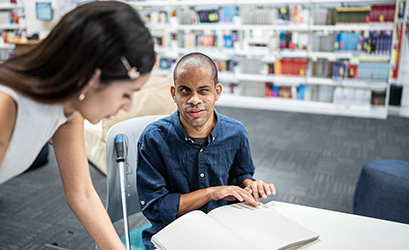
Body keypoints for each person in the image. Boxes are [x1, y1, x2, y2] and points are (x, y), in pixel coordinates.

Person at [0, 2, 155, 249]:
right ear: (93, 78)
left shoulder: (68, 110)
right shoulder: (5, 106)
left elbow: (82, 195)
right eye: (127, 93)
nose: (128, 106)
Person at [137, 52, 276, 249]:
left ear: (217, 92)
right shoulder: (153, 139)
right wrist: (211, 193)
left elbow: (241, 175)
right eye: (185, 91)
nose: (194, 99)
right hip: (172, 234)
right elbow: (155, 207)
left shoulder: (235, 132)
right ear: (173, 93)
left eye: (203, 91)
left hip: (224, 229)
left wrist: (250, 185)